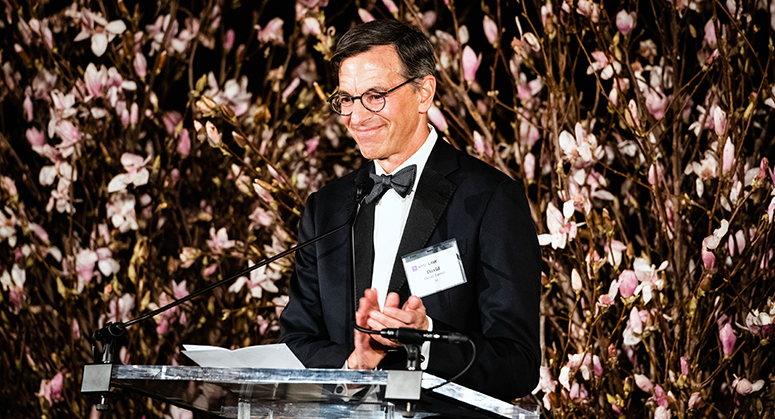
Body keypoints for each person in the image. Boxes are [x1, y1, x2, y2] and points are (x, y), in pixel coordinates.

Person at [279, 19, 541, 401]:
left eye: (375, 95)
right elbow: (298, 341)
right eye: (347, 99)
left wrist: (427, 340)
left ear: (424, 92)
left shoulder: (491, 199)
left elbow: (517, 364)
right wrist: (357, 363)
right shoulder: (326, 208)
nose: (356, 116)